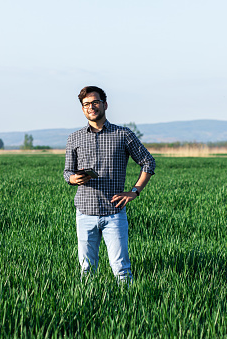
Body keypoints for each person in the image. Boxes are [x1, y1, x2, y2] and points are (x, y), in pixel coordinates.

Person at [63, 86, 156, 282]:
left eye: (95, 102)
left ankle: (128, 309)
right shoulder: (74, 138)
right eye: (86, 104)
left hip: (114, 212)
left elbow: (148, 162)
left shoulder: (123, 134)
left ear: (104, 104)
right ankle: (87, 306)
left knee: (121, 269)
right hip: (84, 213)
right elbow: (67, 172)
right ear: (82, 109)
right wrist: (73, 179)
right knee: (86, 270)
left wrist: (134, 191)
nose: (91, 107)